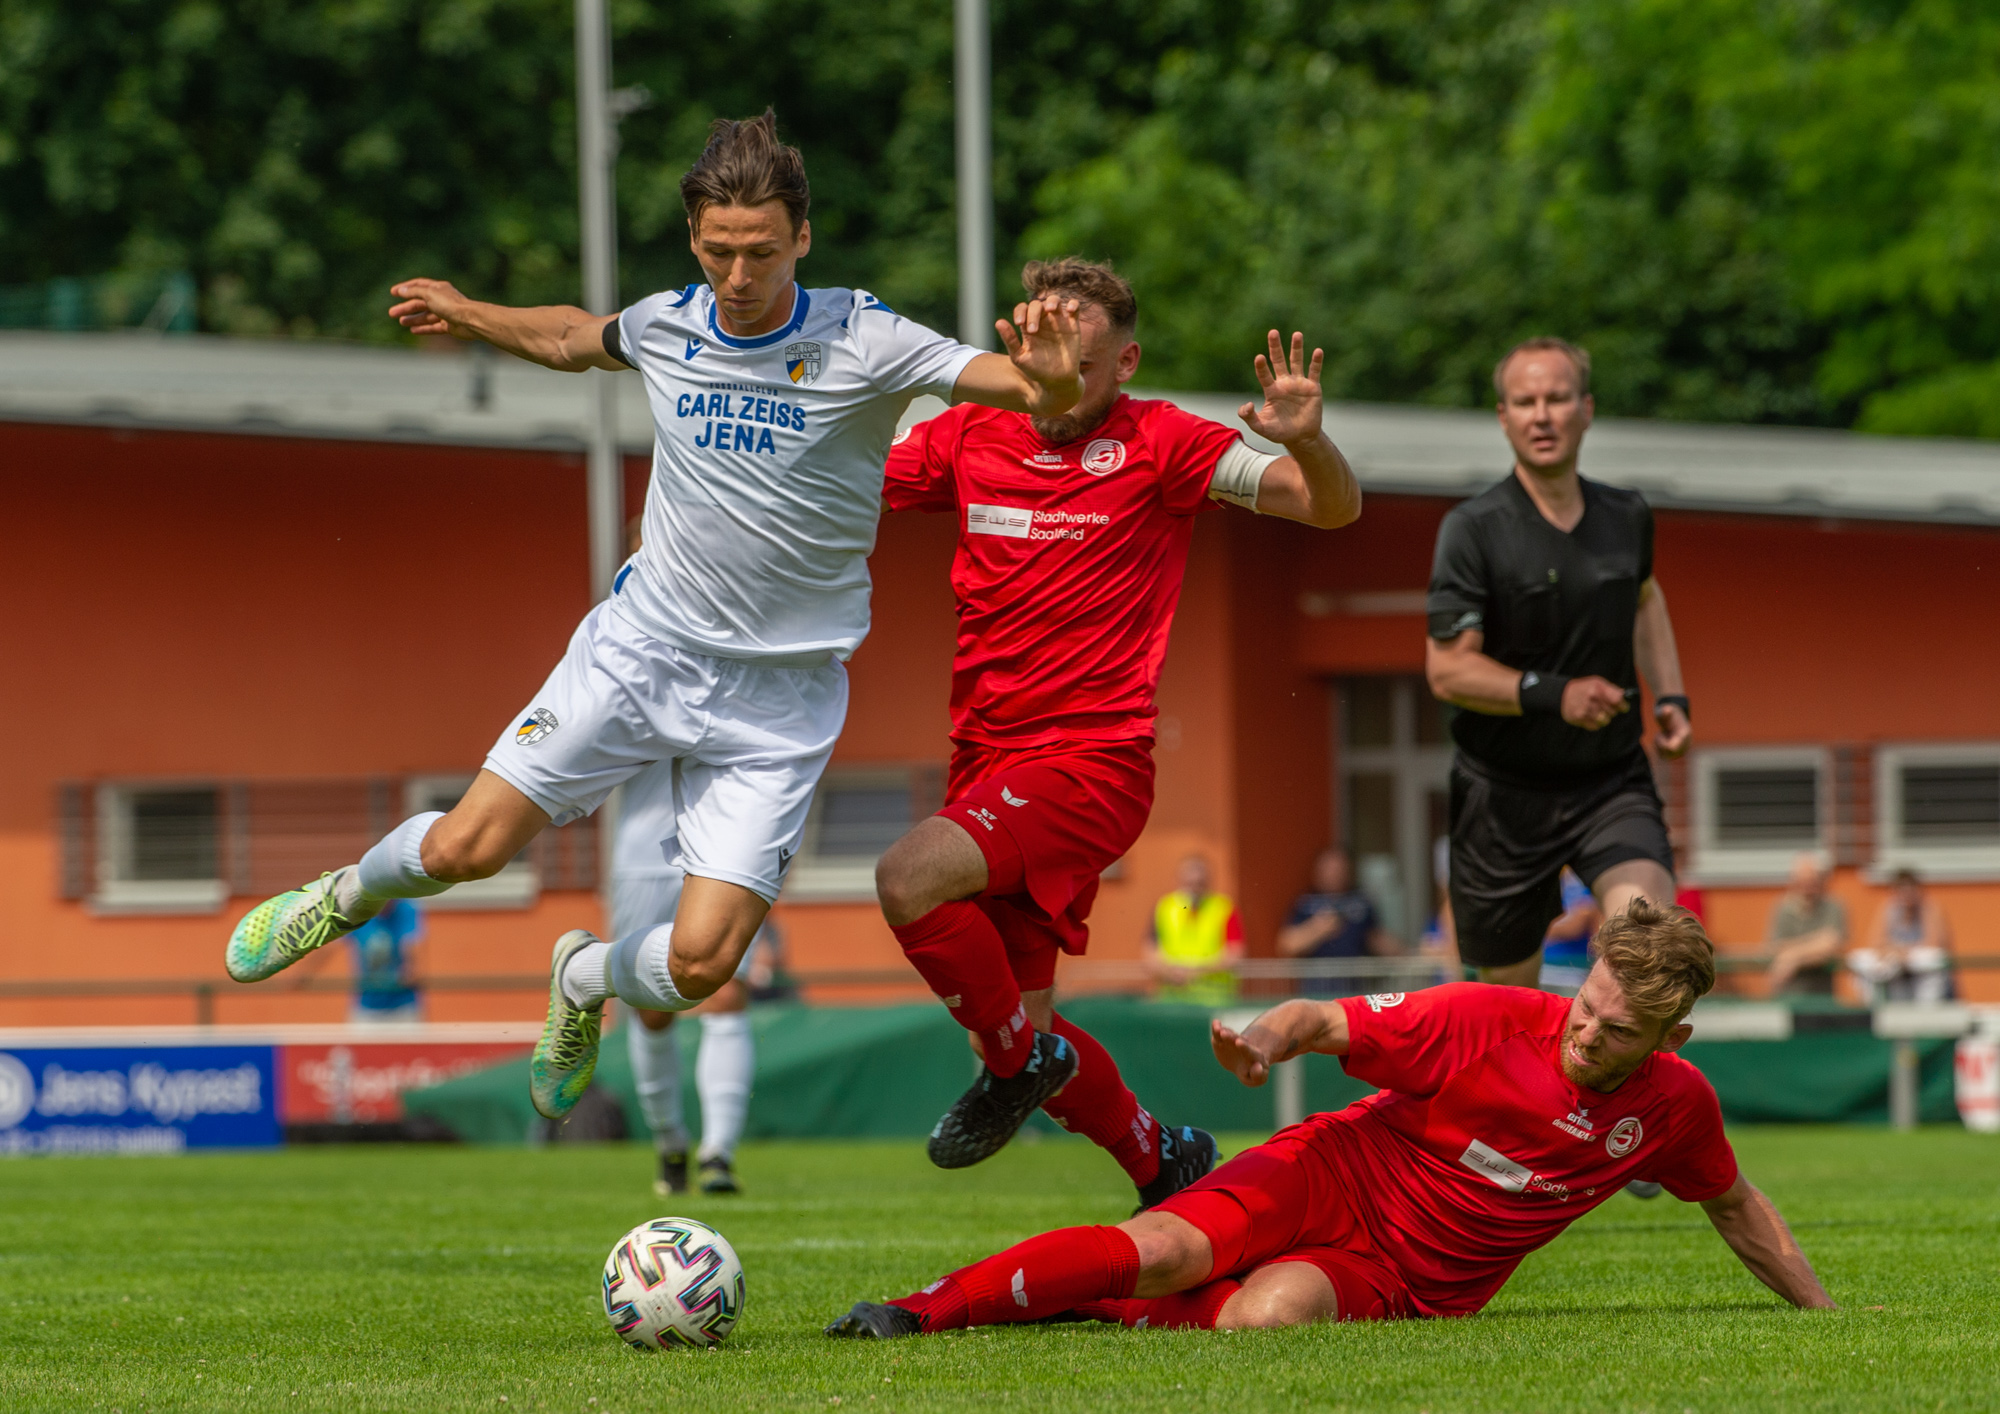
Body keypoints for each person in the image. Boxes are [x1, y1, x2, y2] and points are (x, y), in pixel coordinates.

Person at [218, 111, 1085, 1122]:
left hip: (781, 696)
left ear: (801, 238)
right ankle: (343, 896)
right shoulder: (668, 323)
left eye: (761, 251)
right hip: (642, 651)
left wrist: (1054, 371)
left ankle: (583, 978)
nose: (738, 274)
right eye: (718, 251)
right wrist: (467, 309)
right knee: (468, 850)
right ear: (691, 239)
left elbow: (1016, 387)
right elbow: (567, 336)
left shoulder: (864, 335)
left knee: (704, 963)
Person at [872, 258, 1363, 1209]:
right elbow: (829, 488)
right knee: (1015, 1026)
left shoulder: (1165, 441)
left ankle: (1022, 1065)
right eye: (1035, 349)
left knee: (906, 879)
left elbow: (1330, 508)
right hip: (984, 764)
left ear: (1124, 363)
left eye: (1080, 359)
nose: (1054, 376)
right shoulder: (967, 433)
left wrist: (1311, 444)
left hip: (1091, 766)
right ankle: (1164, 1158)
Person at [824, 899, 1833, 1339]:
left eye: (1618, 1034)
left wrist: (1823, 1319)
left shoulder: (1674, 1107)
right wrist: (1263, 1039)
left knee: (1267, 1320)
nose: (1586, 1037)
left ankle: (1087, 1299)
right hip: (1332, 1170)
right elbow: (1321, 1018)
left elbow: (1735, 1206)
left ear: (1673, 1036)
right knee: (1170, 1247)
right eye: (1586, 1008)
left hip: (1404, 1279)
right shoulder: (1486, 1017)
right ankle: (921, 1309)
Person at [1424, 338, 1692, 990]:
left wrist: (1671, 698)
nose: (1542, 415)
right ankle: (1543, 1086)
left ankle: (1603, 1085)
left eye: (1557, 398)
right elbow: (1447, 671)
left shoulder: (1627, 516)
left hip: (1610, 779)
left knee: (1649, 945)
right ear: (1504, 417)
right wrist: (1554, 694)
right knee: (1504, 1005)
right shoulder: (1473, 528)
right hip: (1502, 792)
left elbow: (1647, 599)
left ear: (1587, 409)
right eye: (1525, 401)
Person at [613, 757, 764, 1195]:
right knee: (652, 1010)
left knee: (727, 991)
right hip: (643, 860)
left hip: (727, 852)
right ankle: (669, 1141)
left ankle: (719, 1153)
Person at [1275, 847, 1400, 996]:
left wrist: (1406, 955)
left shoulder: (1361, 903)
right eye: (1330, 869)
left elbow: (1377, 938)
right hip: (1317, 988)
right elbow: (1287, 944)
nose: (1335, 874)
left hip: (1354, 987)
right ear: (1318, 872)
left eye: (1339, 869)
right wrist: (1318, 929)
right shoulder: (1306, 904)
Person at [1144, 854, 1244, 1005]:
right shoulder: (1164, 907)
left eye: (1200, 883)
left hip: (1214, 1001)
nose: (1195, 889)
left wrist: (1194, 971)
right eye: (1189, 883)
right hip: (1172, 1001)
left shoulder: (1224, 907)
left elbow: (1235, 954)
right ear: (1178, 881)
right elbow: (1149, 953)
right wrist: (1171, 972)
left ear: (1209, 882)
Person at [1849, 868, 1953, 1004]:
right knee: (1859, 960)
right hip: (1896, 968)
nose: (1906, 895)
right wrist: (1895, 951)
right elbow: (1875, 942)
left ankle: (1926, 1012)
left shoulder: (1930, 908)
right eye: (1901, 891)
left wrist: (1904, 951)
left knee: (1932, 959)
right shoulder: (1888, 908)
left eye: (1911, 890)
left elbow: (1936, 944)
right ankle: (1872, 1006)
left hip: (1922, 972)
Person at [1763, 854, 1848, 998]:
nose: (1808, 887)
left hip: (1822, 997)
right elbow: (1775, 947)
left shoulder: (1834, 906)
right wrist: (1816, 943)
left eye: (1812, 882)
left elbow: (1832, 945)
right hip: (1788, 995)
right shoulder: (1783, 908)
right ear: (1794, 881)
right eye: (1803, 882)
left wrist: (1792, 958)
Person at [1538, 868, 1602, 992]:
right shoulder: (1550, 879)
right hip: (1544, 966)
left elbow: (1577, 925)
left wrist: (1529, 930)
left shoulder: (1589, 879)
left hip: (1572, 970)